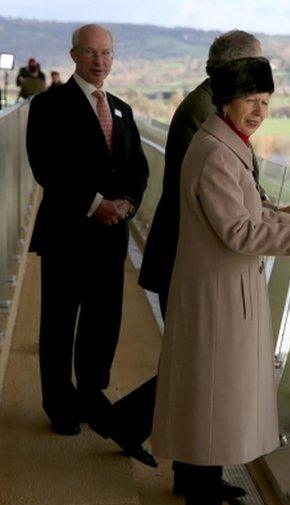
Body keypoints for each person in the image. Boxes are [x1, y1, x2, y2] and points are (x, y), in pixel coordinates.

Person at [95, 29, 290, 493]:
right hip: (195, 259)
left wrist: (274, 214)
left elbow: (235, 195)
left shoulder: (213, 110)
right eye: (253, 70)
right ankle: (196, 486)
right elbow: (224, 202)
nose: (258, 100)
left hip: (196, 255)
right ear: (232, 71)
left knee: (199, 371)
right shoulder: (207, 116)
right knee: (201, 375)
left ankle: (193, 477)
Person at [150, 56, 290, 505]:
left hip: (217, 290)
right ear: (226, 101)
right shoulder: (217, 152)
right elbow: (238, 231)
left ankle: (206, 492)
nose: (259, 111)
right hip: (217, 296)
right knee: (213, 399)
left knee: (209, 398)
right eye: (252, 101)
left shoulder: (223, 143)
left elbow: (248, 212)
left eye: (265, 102)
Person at [25, 25, 148, 445]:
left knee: (103, 319)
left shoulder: (122, 109)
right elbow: (47, 168)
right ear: (74, 54)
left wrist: (127, 204)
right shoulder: (48, 105)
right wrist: (98, 204)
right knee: (59, 322)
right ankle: (59, 404)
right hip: (67, 233)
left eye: (107, 53)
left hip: (112, 237)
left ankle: (91, 395)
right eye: (92, 53)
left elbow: (139, 170)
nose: (100, 61)